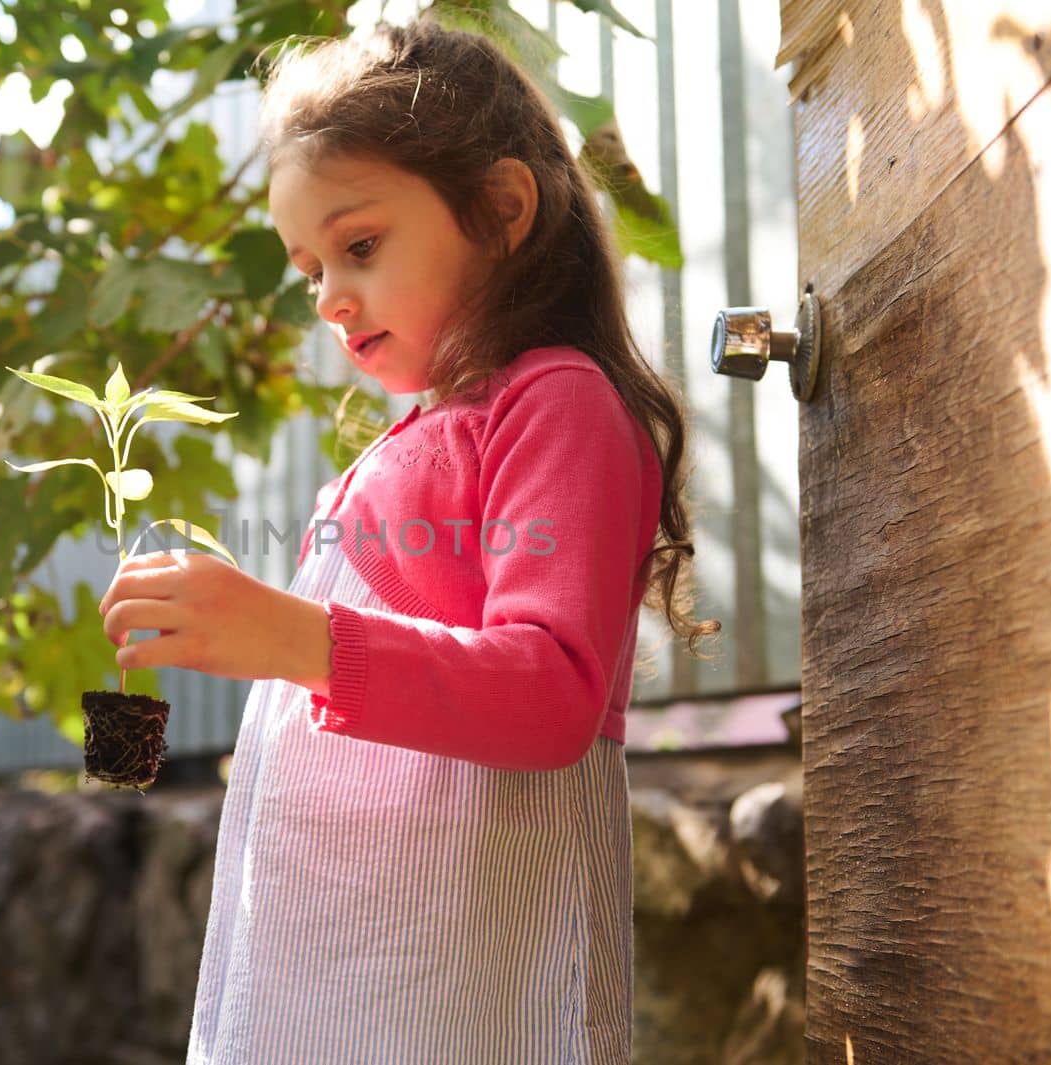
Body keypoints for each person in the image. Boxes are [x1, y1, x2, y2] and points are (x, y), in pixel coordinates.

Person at [95, 17, 717, 1063]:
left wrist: (296, 640)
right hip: (340, 964)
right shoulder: (397, 444)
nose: (330, 296)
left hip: (470, 972)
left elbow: (552, 691)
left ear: (500, 210)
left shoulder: (557, 406)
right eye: (308, 268)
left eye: (361, 245)